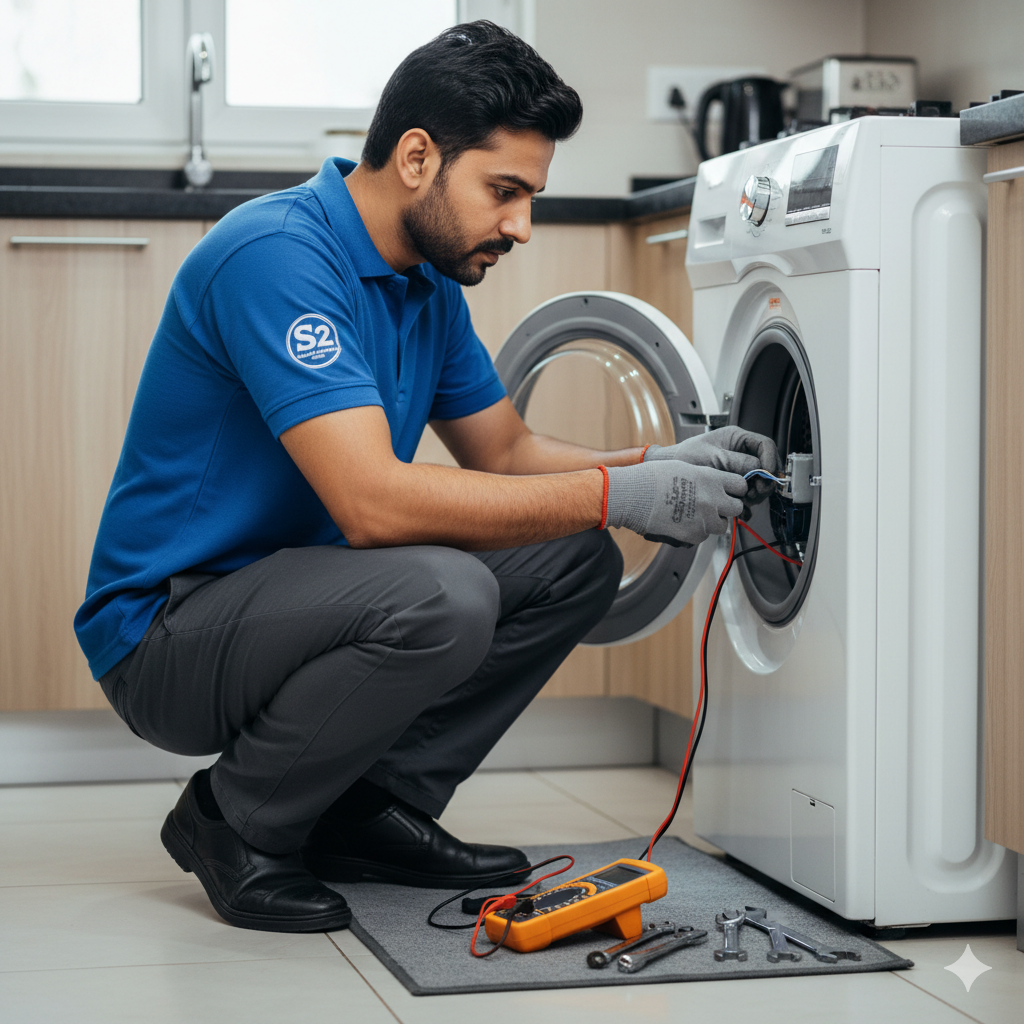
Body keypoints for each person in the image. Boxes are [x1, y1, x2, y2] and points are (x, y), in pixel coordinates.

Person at [74, 21, 780, 934]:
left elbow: (508, 455)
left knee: (574, 556)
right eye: (505, 191)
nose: (521, 225)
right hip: (168, 631)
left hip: (302, 597)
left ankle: (363, 811)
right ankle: (232, 820)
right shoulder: (278, 257)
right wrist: (626, 494)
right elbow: (371, 505)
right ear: (416, 157)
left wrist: (658, 467)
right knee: (442, 592)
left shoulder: (428, 282)